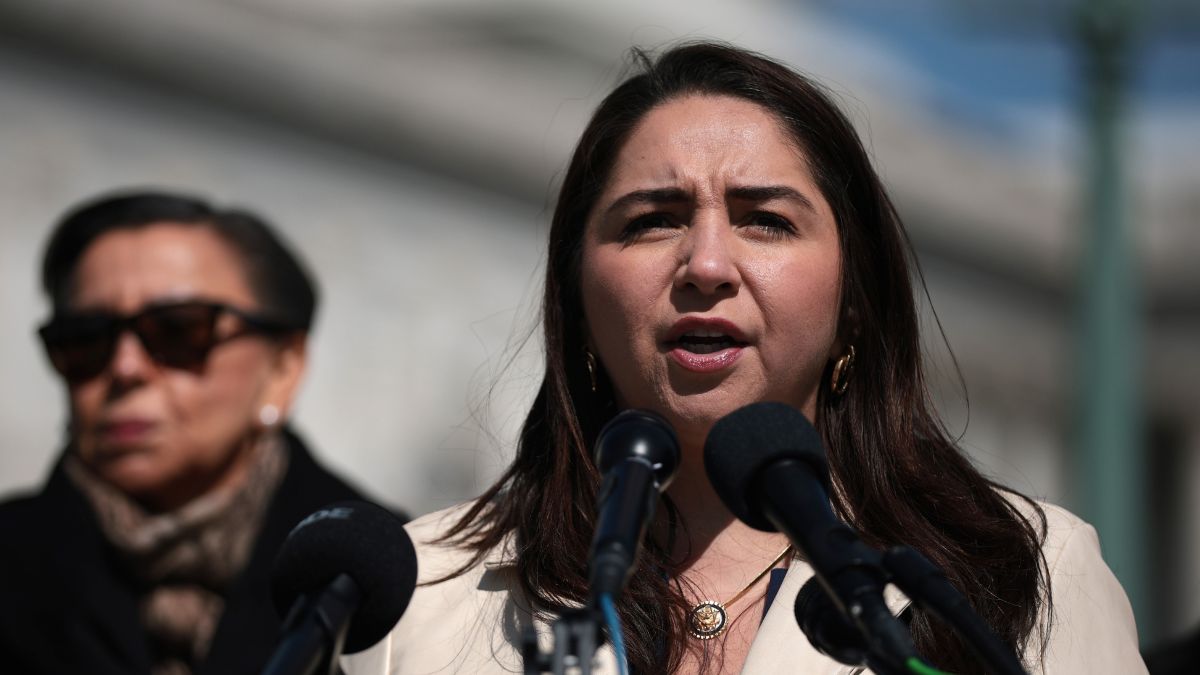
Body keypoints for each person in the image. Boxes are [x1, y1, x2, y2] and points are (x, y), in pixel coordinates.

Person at [344, 42, 1145, 674]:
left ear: (855, 299)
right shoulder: (414, 595)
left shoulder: (1027, 569)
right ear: (577, 299)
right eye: (652, 220)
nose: (706, 264)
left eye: (765, 220)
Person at [0, 190, 390, 675]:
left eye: (178, 330)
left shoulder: (389, 583)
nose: (125, 368)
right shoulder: (14, 563)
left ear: (283, 370)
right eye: (85, 339)